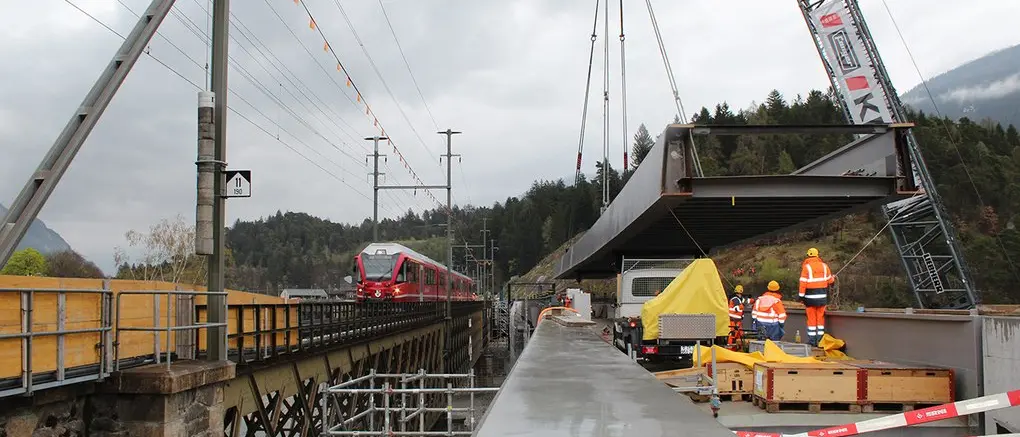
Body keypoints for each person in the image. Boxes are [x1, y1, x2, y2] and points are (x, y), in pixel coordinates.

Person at [799, 247, 835, 347]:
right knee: (820, 319)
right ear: (818, 255)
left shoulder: (806, 267)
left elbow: (803, 283)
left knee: (811, 320)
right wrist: (833, 278)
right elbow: (830, 281)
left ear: (808, 256)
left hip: (810, 299)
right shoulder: (824, 266)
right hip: (822, 298)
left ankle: (812, 341)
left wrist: (801, 297)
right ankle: (820, 341)